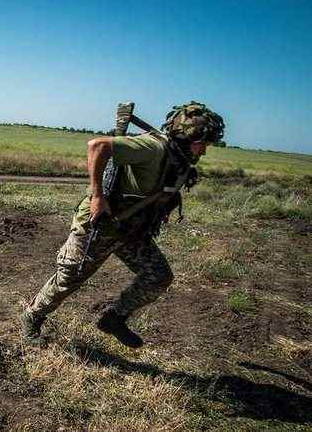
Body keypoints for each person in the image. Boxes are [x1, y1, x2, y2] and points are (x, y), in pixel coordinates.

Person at [20, 102, 225, 348]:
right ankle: (31, 317)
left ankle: (113, 319)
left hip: (130, 230)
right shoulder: (154, 147)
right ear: (187, 136)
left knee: (158, 276)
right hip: (99, 224)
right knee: (68, 278)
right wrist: (97, 196)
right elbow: (97, 146)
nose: (203, 151)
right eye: (202, 144)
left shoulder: (178, 158)